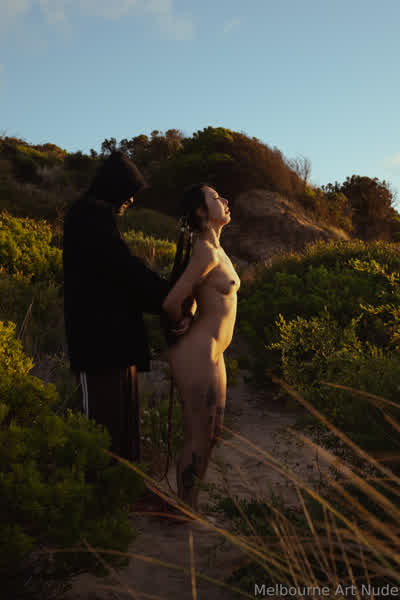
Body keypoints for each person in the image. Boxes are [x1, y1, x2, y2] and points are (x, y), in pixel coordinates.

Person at [63, 151, 171, 484]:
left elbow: (123, 272)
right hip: (98, 345)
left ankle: (120, 495)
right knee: (101, 431)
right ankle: (97, 499)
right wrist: (166, 295)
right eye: (128, 191)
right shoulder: (86, 217)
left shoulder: (98, 217)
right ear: (114, 186)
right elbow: (123, 270)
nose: (131, 200)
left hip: (117, 344)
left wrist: (163, 293)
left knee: (122, 427)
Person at [161, 183, 240, 512]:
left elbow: (194, 296)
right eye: (216, 197)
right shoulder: (205, 251)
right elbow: (172, 302)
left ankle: (189, 506)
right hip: (198, 353)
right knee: (198, 435)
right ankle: (185, 510)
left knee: (211, 434)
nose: (225, 200)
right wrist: (180, 321)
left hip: (213, 353)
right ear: (201, 211)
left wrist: (188, 313)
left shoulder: (216, 249)